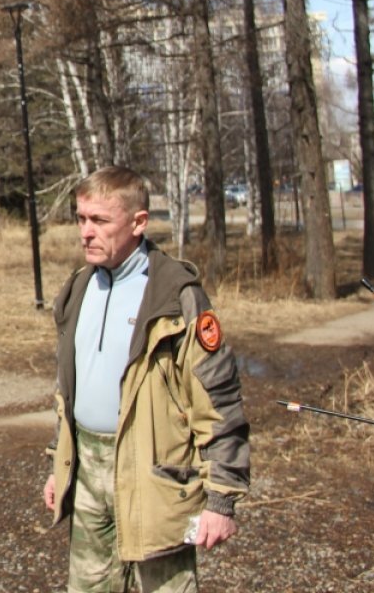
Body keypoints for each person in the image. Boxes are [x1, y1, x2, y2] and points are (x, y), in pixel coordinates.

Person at [42, 166, 250, 593]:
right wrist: (57, 464)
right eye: (81, 219)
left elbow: (219, 399)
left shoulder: (176, 296)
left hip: (156, 476)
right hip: (86, 472)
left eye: (99, 220)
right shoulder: (77, 288)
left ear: (139, 222)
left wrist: (221, 499)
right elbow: (68, 390)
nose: (85, 232)